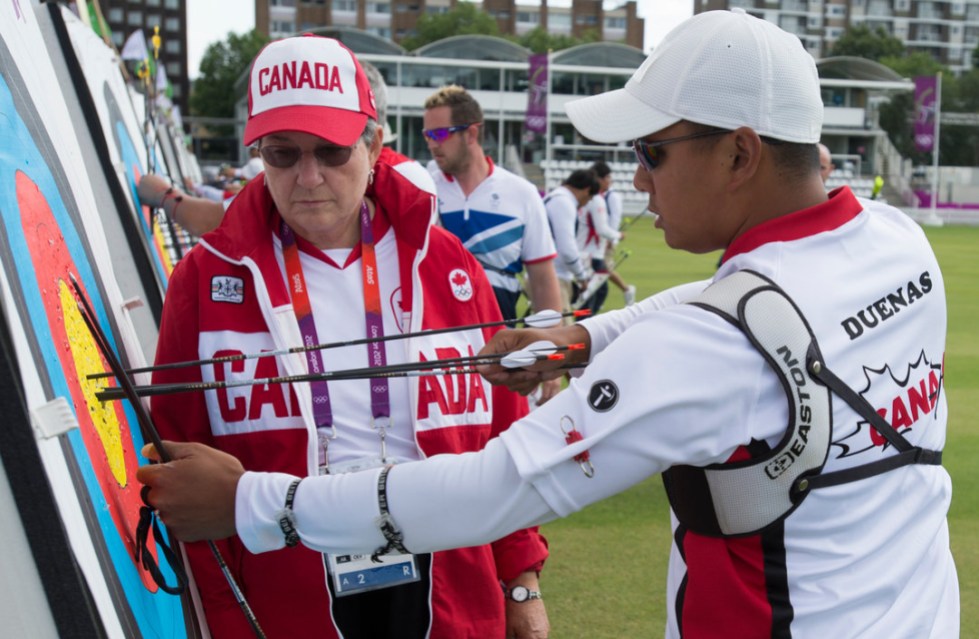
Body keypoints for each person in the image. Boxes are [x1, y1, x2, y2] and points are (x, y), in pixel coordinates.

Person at [138, 11, 958, 638]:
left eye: (652, 151)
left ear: (740, 155)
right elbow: (746, 310)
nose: (632, 176)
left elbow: (494, 486)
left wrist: (256, 500)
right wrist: (583, 336)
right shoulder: (893, 242)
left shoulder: (710, 350)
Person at [143, 34, 549, 639]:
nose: (308, 177)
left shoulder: (448, 265)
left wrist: (520, 582)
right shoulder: (205, 279)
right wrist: (225, 617)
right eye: (282, 154)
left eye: (331, 151)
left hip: (448, 592)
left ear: (374, 143)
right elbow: (177, 463)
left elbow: (507, 438)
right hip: (285, 599)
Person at [422, 84, 562, 403]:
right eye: (427, 135)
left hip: (503, 352)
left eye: (440, 135)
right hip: (438, 350)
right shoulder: (421, 188)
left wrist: (553, 354)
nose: (431, 144)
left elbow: (542, 281)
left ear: (471, 133)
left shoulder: (522, 193)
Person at [542, 169, 596, 320]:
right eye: (590, 198)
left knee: (544, 330)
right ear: (586, 190)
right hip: (555, 276)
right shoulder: (563, 202)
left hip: (547, 273)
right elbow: (567, 248)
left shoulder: (555, 197)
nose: (587, 203)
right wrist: (581, 276)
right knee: (560, 334)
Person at [590, 161, 636, 306]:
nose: (610, 181)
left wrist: (612, 239)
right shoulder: (598, 195)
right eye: (608, 178)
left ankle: (625, 289)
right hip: (598, 240)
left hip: (606, 239)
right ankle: (597, 296)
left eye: (610, 177)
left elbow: (615, 218)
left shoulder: (612, 196)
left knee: (603, 269)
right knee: (599, 270)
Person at [573, 179, 622, 314]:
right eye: (608, 178)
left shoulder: (591, 200)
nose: (610, 182)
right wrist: (617, 236)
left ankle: (583, 321)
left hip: (587, 252)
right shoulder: (596, 200)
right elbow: (601, 228)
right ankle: (582, 324)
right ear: (600, 179)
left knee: (597, 291)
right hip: (592, 254)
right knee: (591, 295)